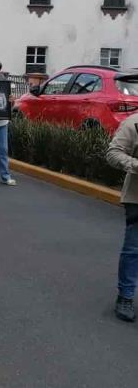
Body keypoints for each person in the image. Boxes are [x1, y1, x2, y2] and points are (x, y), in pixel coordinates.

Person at [106, 115, 138, 322]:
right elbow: (113, 153)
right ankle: (125, 297)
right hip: (137, 197)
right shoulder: (134, 123)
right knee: (134, 249)